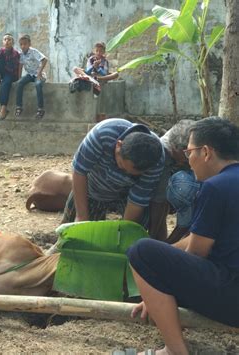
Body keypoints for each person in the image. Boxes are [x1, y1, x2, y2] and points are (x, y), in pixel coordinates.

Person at [128, 117, 239, 355]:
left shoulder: (214, 187)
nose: (188, 161)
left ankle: (174, 350)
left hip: (232, 298)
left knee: (140, 251)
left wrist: (160, 281)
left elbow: (198, 252)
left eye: (189, 152)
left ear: (206, 152)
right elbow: (198, 238)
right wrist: (154, 280)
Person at [61, 118, 164, 229]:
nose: (124, 173)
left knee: (136, 231)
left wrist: (123, 232)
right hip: (93, 188)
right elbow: (79, 171)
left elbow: (137, 200)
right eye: (122, 166)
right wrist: (81, 217)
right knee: (74, 231)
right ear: (118, 145)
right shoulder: (102, 135)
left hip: (126, 194)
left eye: (132, 174)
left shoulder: (155, 159)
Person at [148, 120, 200, 241]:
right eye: (183, 158)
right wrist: (153, 237)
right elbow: (159, 200)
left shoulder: (202, 145)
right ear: (173, 148)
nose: (185, 162)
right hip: (171, 184)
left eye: (188, 158)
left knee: (185, 190)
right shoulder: (162, 152)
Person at [15, 34, 48, 119]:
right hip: (30, 74)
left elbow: (44, 59)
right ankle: (19, 106)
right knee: (19, 83)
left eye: (25, 44)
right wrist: (19, 77)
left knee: (38, 85)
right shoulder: (21, 54)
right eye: (21, 44)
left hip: (38, 73)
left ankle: (40, 109)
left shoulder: (33, 51)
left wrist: (39, 73)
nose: (23, 46)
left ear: (29, 44)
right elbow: (20, 66)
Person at [0, 33, 20, 120]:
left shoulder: (15, 53)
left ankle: (3, 108)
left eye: (9, 39)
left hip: (11, 74)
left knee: (5, 84)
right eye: (5, 39)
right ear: (3, 42)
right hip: (2, 73)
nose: (7, 41)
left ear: (12, 42)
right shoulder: (1, 50)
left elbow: (13, 69)